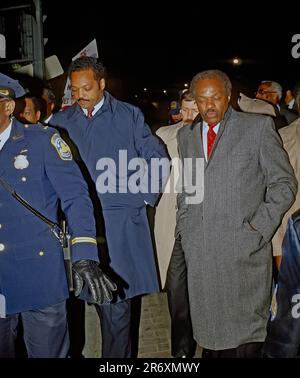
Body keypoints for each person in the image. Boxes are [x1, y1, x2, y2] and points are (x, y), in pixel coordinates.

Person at [50, 56, 169, 358]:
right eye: (74, 90)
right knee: (77, 305)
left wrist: (141, 198)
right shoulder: (60, 122)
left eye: (86, 88)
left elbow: (157, 158)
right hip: (77, 228)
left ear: (102, 84)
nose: (79, 96)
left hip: (119, 228)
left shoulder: (128, 116)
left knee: (116, 309)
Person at [175, 69, 297, 358]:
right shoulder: (186, 136)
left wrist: (256, 230)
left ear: (228, 96)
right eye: (202, 100)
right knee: (210, 338)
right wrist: (186, 229)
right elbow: (188, 188)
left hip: (243, 255)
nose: (209, 106)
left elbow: (284, 184)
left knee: (244, 340)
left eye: (216, 97)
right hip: (202, 256)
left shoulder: (256, 128)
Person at [0, 73, 116, 358]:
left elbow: (76, 198)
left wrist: (85, 253)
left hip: (38, 277)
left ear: (7, 107)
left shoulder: (42, 140)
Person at [155, 90, 199, 357]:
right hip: (174, 226)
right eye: (185, 110)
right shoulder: (163, 136)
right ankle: (181, 352)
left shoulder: (218, 137)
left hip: (207, 226)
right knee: (177, 290)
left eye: (195, 110)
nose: (189, 116)